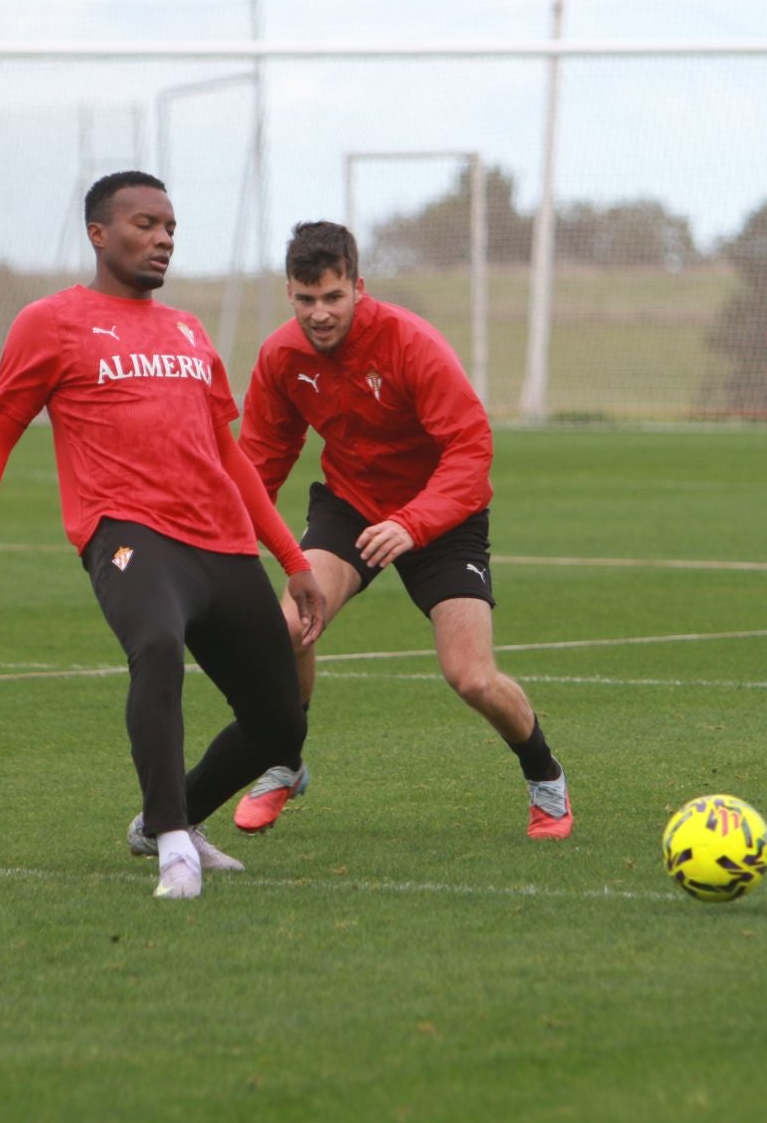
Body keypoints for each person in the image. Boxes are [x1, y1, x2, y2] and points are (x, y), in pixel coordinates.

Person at [0, 171, 325, 899]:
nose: (163, 237)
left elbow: (227, 453)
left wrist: (292, 558)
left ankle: (160, 821)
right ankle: (175, 843)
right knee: (157, 645)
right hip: (126, 531)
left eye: (170, 226)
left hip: (222, 540)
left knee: (280, 726)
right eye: (145, 223)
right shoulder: (51, 323)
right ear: (99, 234)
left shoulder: (188, 329)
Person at [234, 220, 572, 841]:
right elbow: (258, 460)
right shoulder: (282, 355)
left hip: (442, 514)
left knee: (470, 676)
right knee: (289, 626)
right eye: (306, 300)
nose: (320, 313)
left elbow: (471, 450)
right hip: (349, 506)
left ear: (358, 287)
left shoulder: (410, 343)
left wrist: (414, 523)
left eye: (333, 297)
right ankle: (285, 759)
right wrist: (223, 535)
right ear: (290, 294)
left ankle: (544, 775)